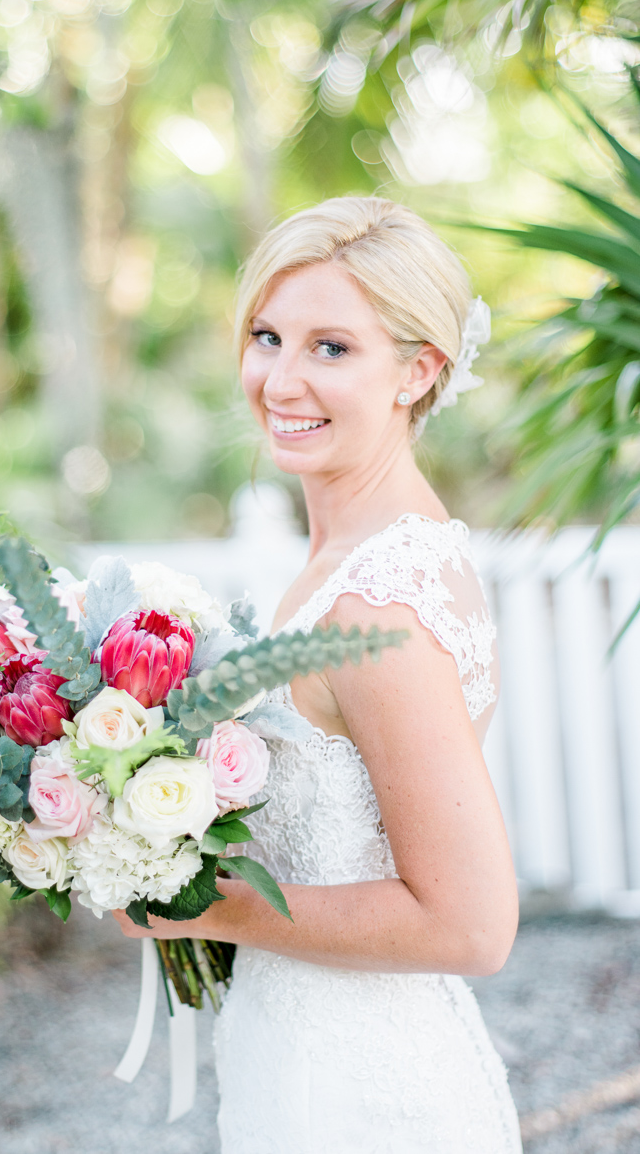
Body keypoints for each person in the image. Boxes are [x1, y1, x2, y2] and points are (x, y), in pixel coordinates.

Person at [114, 196, 522, 1153]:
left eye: (332, 348)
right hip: (295, 1056)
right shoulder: (353, 558)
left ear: (417, 371)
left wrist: (205, 905)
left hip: (364, 1100)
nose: (281, 380)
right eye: (267, 336)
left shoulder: (378, 603)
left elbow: (471, 923)